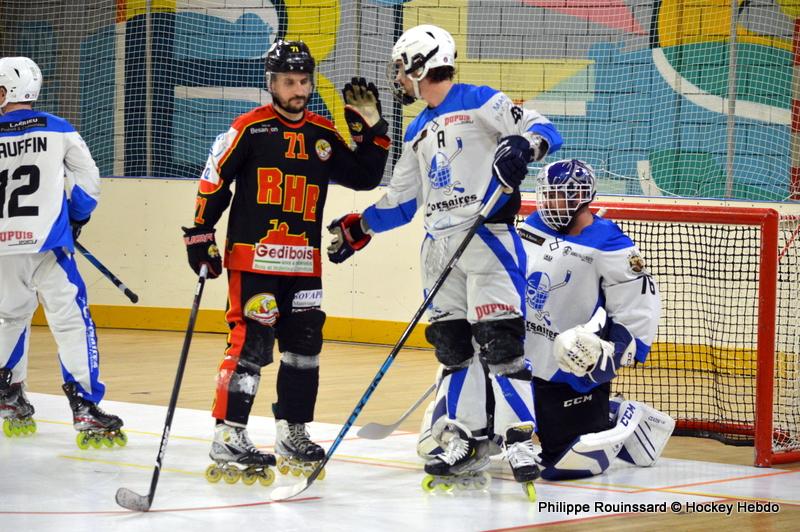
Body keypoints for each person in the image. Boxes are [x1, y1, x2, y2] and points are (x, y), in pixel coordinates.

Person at [326, 24, 562, 497]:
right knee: (453, 348)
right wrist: (361, 226)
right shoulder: (415, 129)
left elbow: (542, 128)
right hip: (437, 249)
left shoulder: (481, 100)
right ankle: (467, 438)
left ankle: (520, 438)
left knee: (500, 343)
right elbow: (402, 200)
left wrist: (523, 146)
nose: (398, 77)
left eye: (400, 67)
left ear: (420, 62)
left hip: (487, 237)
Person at [183, 40, 390, 485]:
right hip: (255, 260)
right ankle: (229, 434)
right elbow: (214, 181)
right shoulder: (249, 129)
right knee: (251, 344)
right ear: (271, 83)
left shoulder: (321, 133)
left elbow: (365, 176)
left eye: (304, 81)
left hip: (304, 265)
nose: (298, 90)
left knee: (305, 349)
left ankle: (292, 431)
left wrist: (373, 131)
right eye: (288, 82)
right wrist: (201, 234)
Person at [517, 158, 674, 480]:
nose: (551, 202)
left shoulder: (609, 242)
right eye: (547, 194)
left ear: (582, 197)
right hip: (522, 353)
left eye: (561, 195)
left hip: (570, 363)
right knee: (493, 435)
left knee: (561, 466)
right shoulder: (529, 227)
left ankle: (619, 416)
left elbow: (637, 303)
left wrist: (616, 352)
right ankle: (601, 413)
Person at [0, 56, 125, 448]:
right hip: (48, 247)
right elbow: (88, 184)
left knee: (7, 319)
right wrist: (75, 218)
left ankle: (8, 395)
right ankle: (85, 404)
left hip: (3, 249)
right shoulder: (59, 129)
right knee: (71, 321)